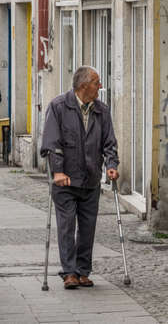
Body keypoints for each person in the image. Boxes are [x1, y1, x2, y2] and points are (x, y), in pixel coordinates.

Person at [41, 66, 119, 289]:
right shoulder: (58, 107)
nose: (100, 86)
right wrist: (57, 171)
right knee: (66, 226)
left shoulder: (101, 111)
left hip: (90, 179)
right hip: (64, 180)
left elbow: (109, 143)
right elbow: (51, 143)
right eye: (97, 82)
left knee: (88, 227)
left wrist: (112, 165)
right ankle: (69, 273)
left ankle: (83, 271)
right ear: (84, 86)